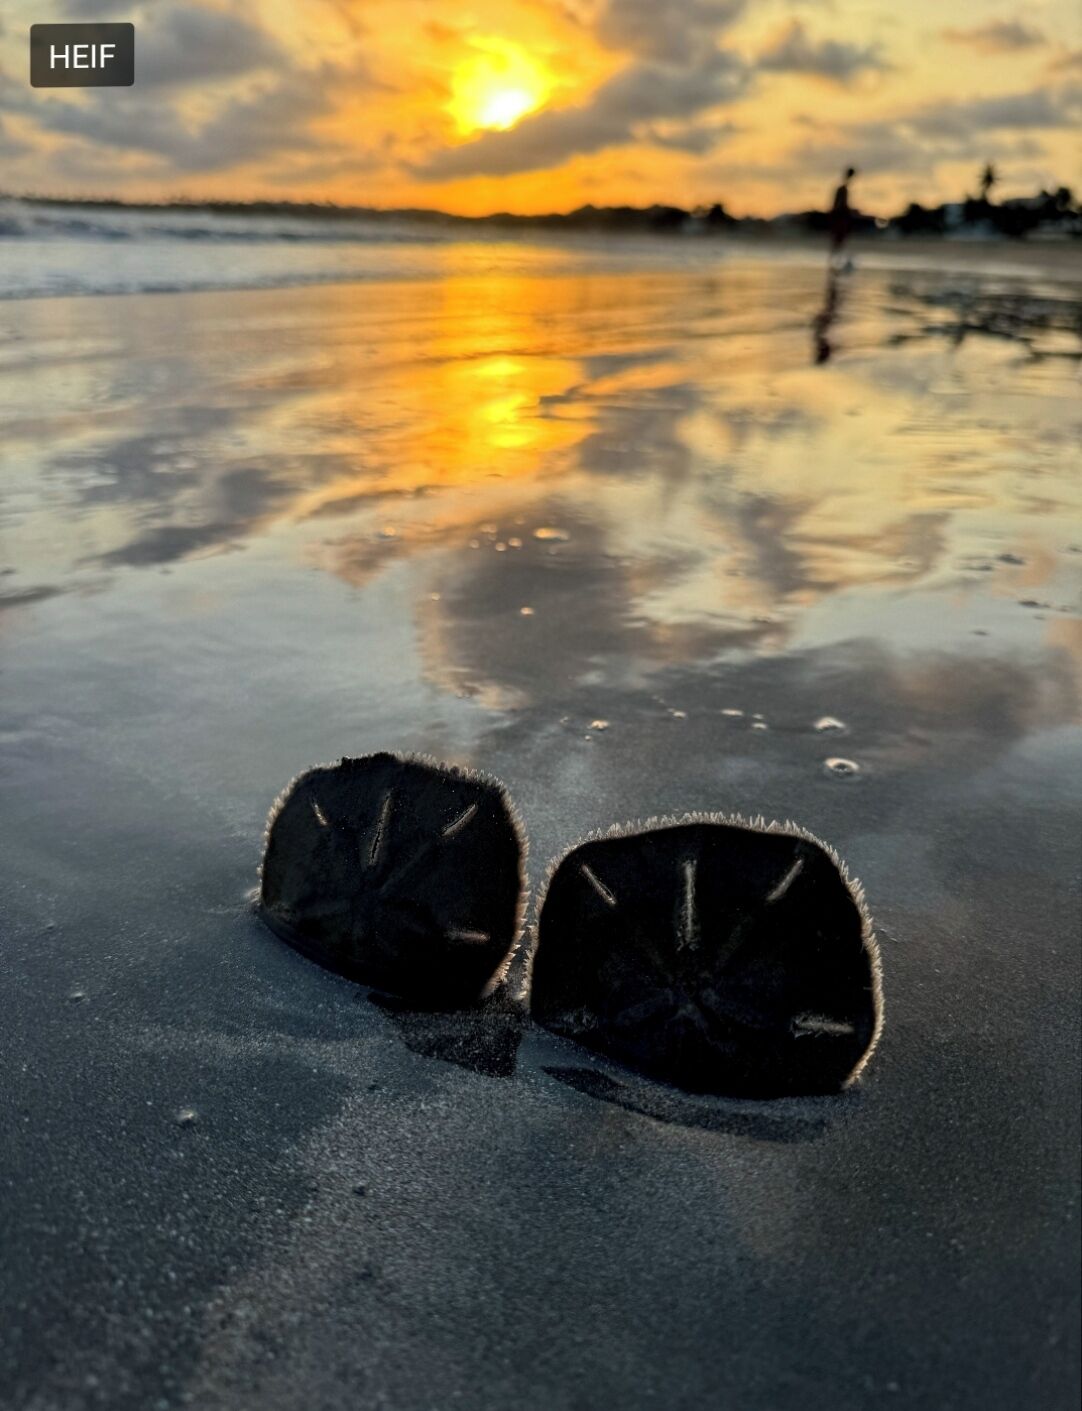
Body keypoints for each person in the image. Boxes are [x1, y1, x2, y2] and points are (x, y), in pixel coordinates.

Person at [829, 167, 856, 265]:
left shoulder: (843, 188)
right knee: (838, 240)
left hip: (841, 216)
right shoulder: (842, 189)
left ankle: (836, 260)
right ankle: (835, 261)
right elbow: (839, 204)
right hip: (840, 216)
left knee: (839, 240)